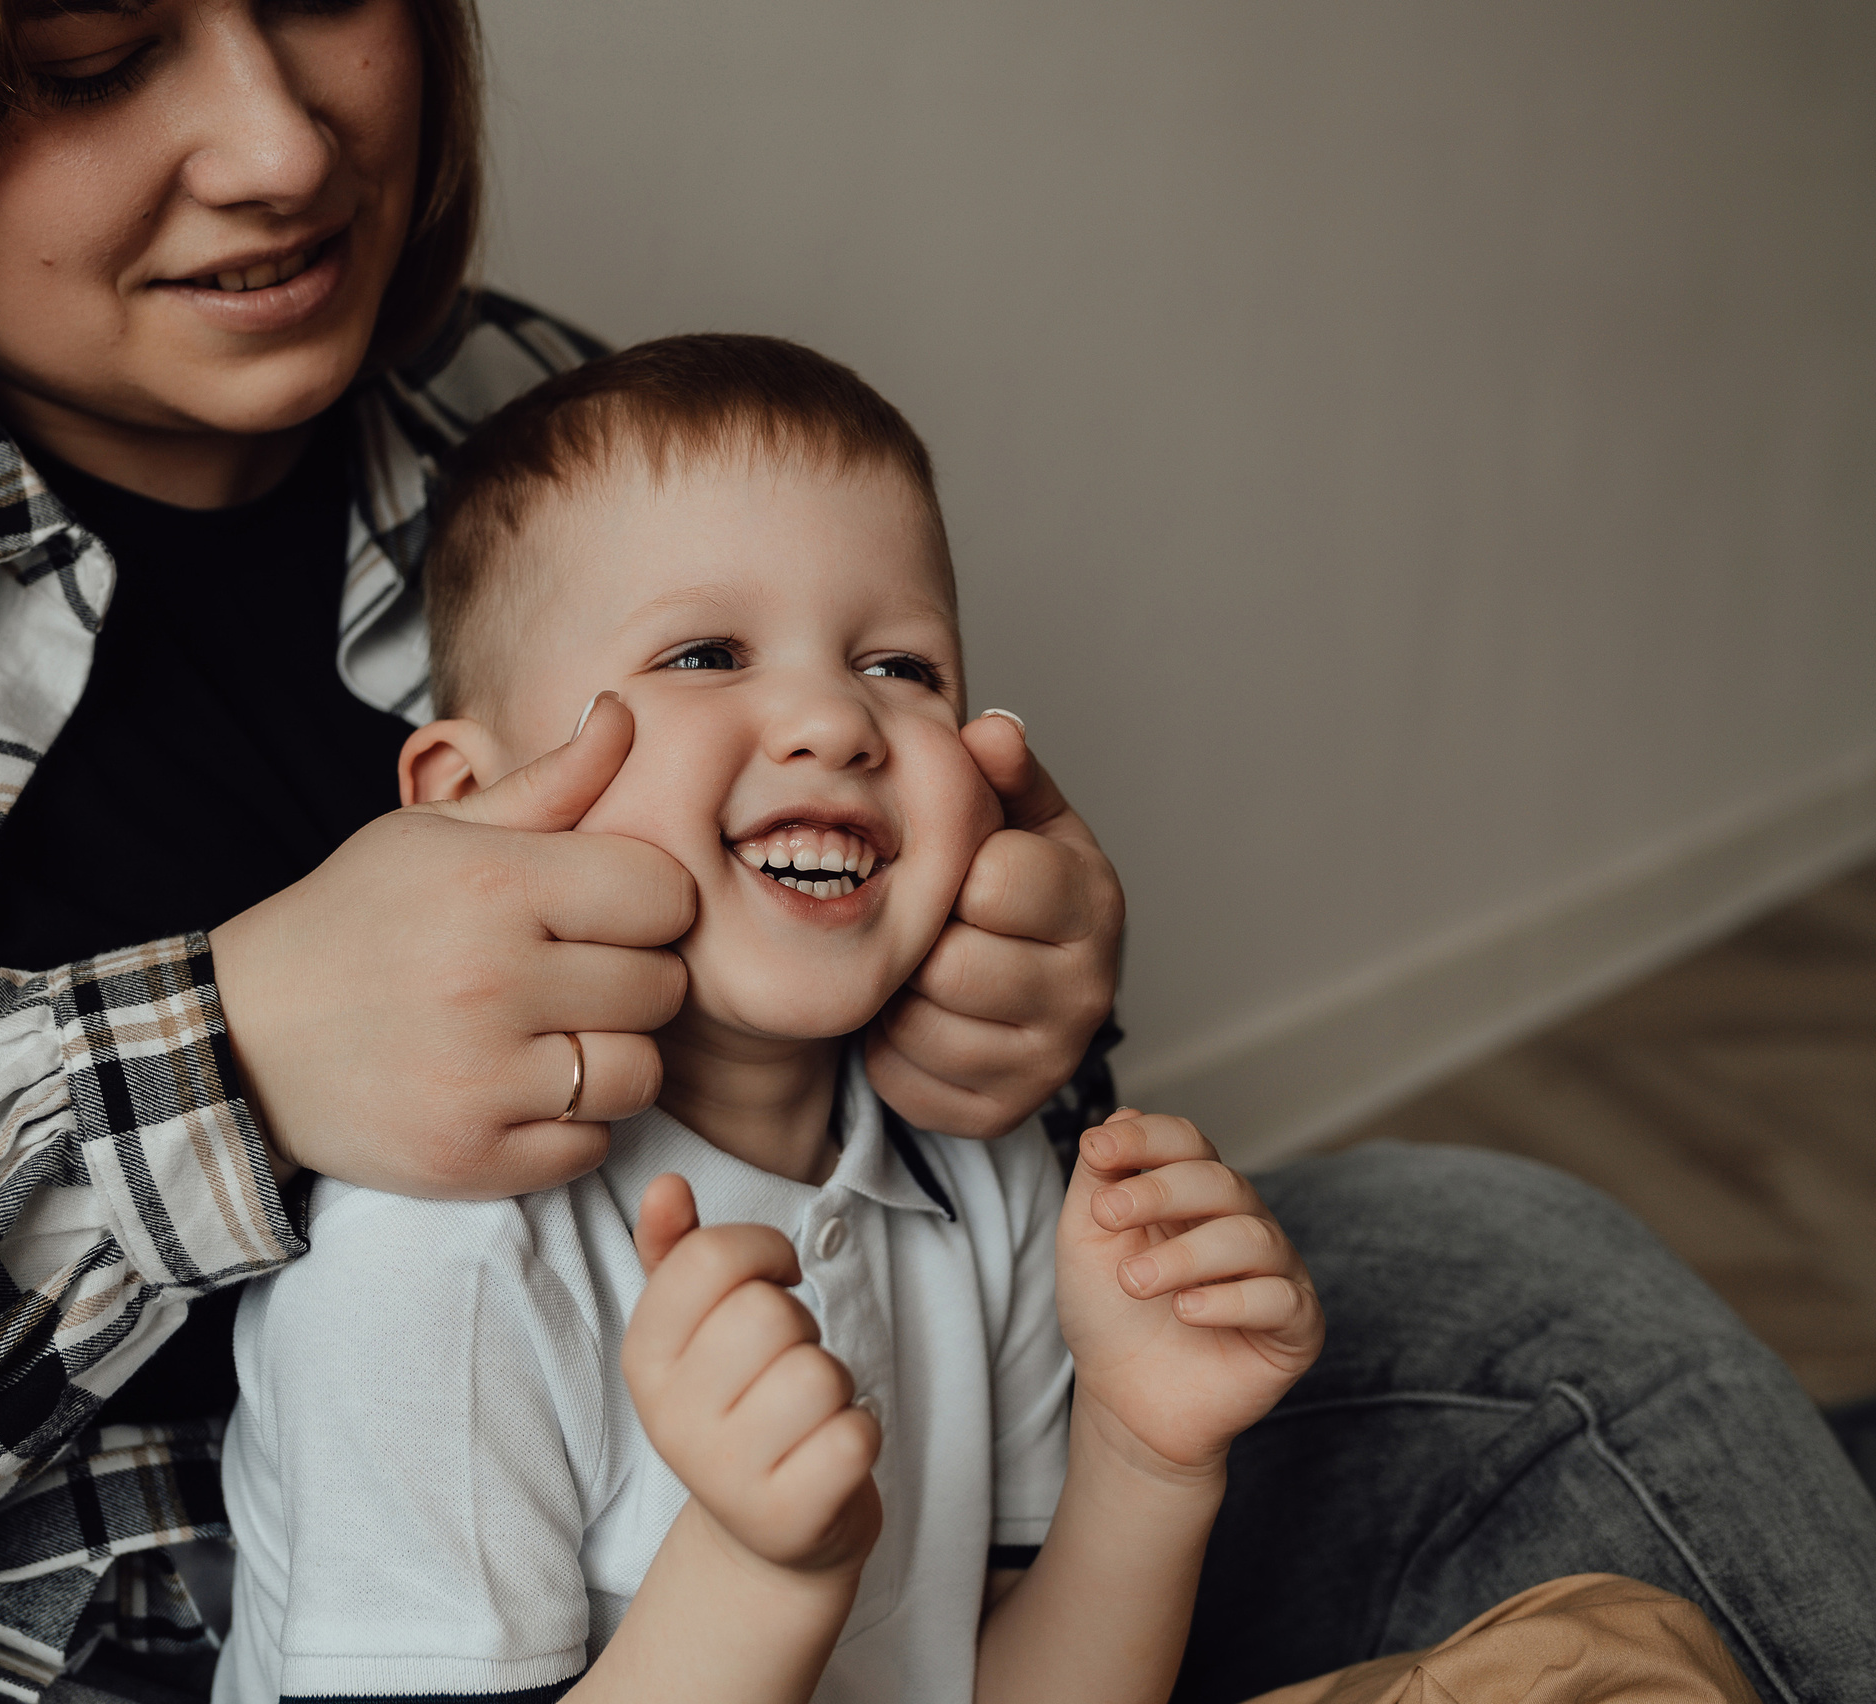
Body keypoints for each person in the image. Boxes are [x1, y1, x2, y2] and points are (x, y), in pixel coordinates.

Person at [0, 1, 1866, 1702]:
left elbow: (898, 1218)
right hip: (19, 1639)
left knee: (1519, 1280)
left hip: (735, 1532)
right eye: (90, 48)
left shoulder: (513, 417)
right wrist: (213, 1065)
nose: (284, 141)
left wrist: (1007, 1005)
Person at [207, 336, 1754, 1704]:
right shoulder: (432, 1265)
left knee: (1615, 1656)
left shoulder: (974, 1173)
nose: (833, 718)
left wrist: (1149, 1458)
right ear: (471, 807)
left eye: (900, 664)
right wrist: (759, 1575)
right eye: (703, 654)